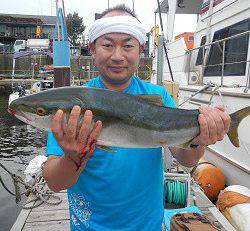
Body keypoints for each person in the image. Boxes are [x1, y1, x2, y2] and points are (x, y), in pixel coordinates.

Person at [43, 4, 231, 231]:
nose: (117, 56)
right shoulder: (72, 108)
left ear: (140, 49)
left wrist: (199, 138)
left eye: (128, 45)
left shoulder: (158, 96)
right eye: (107, 45)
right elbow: (54, 183)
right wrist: (73, 157)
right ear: (92, 48)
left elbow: (187, 159)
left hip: (147, 225)